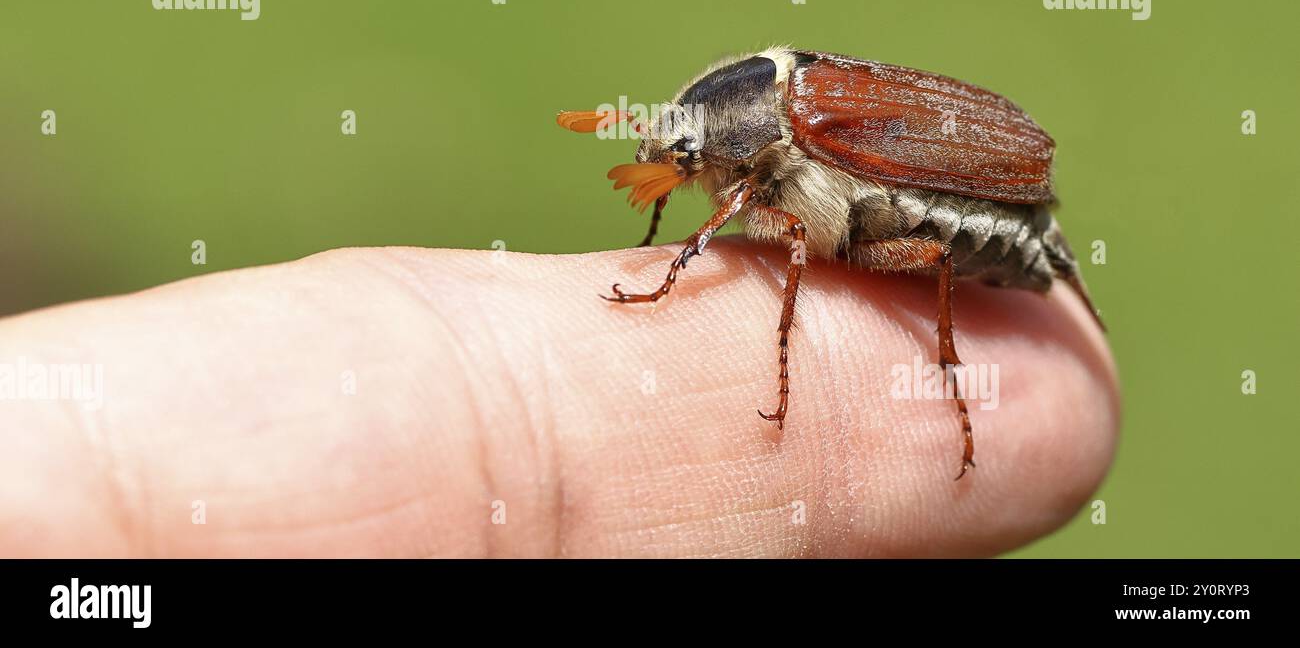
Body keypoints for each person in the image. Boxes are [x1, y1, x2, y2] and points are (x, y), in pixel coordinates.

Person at [0, 238, 1118, 557]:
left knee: (887, 259)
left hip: (981, 212)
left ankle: (949, 384)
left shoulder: (790, 157)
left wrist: (684, 260)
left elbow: (757, 227)